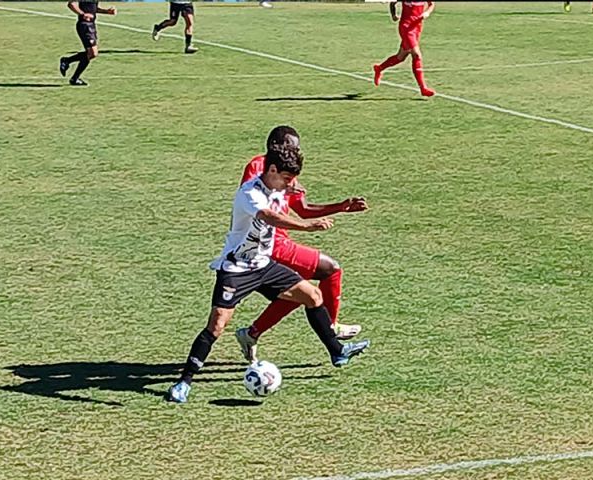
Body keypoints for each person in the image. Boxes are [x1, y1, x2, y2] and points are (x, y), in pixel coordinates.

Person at [167, 144, 370, 404]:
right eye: (286, 178)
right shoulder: (249, 193)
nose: (290, 183)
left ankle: (337, 351)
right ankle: (184, 382)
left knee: (313, 295)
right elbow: (269, 216)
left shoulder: (277, 186)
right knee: (217, 325)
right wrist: (307, 227)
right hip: (237, 269)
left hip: (263, 265)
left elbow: (296, 201)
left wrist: (309, 196)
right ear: (271, 170)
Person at [234, 126, 367, 363]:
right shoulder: (258, 166)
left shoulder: (288, 172)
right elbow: (255, 205)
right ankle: (331, 326)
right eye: (291, 146)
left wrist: (341, 206)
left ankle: (251, 333)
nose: (296, 151)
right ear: (276, 146)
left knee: (301, 293)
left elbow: (303, 210)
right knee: (331, 269)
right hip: (268, 242)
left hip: (281, 240)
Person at [373, 1, 435, 97]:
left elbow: (431, 4)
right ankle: (423, 88)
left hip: (417, 26)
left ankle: (379, 68)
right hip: (406, 27)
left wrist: (427, 12)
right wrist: (394, 15)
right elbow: (392, 3)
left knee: (401, 57)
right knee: (416, 54)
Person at [59, 0, 116, 86]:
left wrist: (106, 11)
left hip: (91, 25)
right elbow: (71, 4)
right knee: (92, 53)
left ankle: (73, 76)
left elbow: (93, 9)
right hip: (85, 25)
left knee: (91, 54)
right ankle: (67, 63)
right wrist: (82, 14)